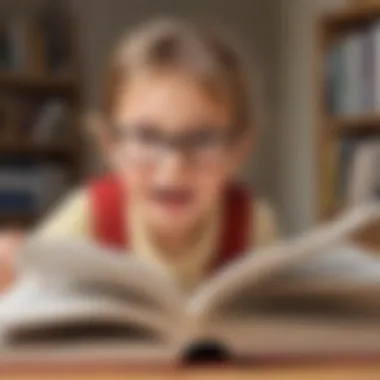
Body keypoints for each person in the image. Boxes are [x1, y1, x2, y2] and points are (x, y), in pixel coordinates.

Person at [0, 18, 279, 292]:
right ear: (111, 146)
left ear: (237, 151)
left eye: (202, 139)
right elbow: (25, 293)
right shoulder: (88, 216)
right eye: (146, 137)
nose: (173, 169)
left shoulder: (252, 225)